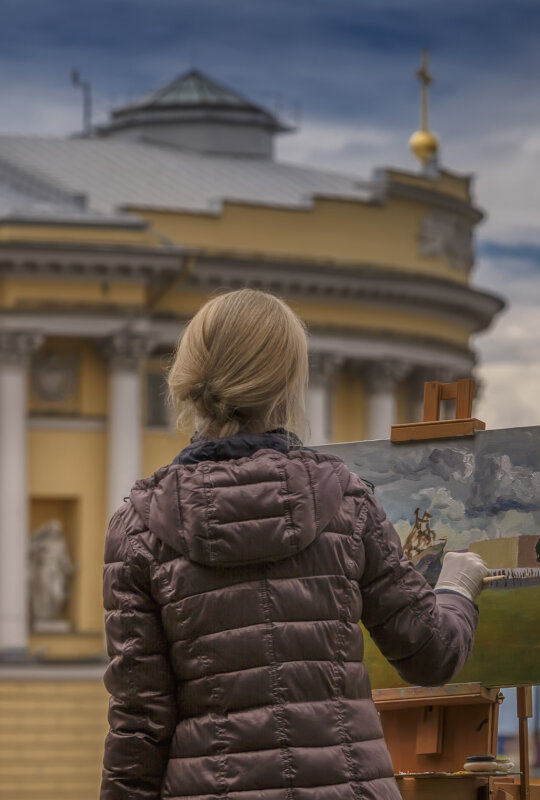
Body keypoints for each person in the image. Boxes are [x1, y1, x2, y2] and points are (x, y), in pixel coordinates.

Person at [100, 288, 489, 800]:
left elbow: (139, 726)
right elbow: (431, 655)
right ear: (287, 384)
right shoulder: (347, 501)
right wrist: (458, 587)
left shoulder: (138, 528)